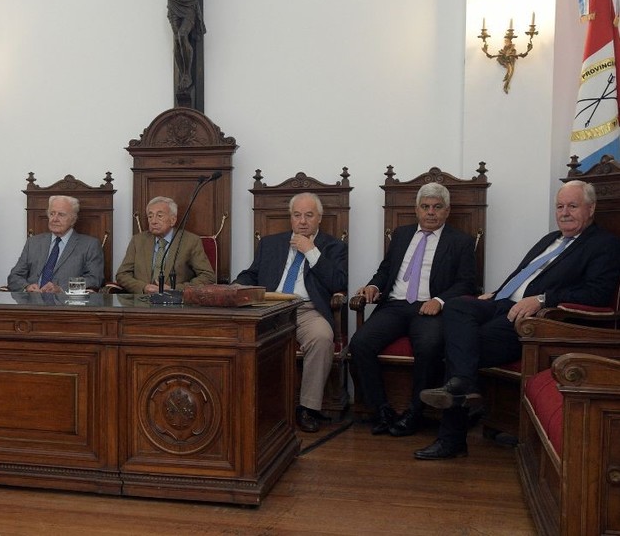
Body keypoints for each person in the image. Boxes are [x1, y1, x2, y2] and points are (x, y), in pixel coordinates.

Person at [415, 180, 620, 460]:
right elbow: (523, 275)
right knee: (456, 307)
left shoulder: (604, 245)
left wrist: (542, 300)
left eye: (572, 206)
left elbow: (597, 294)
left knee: (460, 347)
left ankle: (452, 436)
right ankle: (466, 386)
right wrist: (497, 293)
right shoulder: (550, 240)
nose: (564, 212)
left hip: (536, 318)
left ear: (591, 208)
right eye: (559, 206)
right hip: (502, 302)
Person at [349, 183, 477, 438]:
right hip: (395, 305)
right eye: (425, 207)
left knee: (429, 347)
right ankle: (381, 410)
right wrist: (374, 285)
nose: (431, 212)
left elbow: (467, 282)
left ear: (447, 211)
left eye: (437, 207)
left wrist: (439, 300)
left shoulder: (461, 241)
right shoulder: (401, 234)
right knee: (360, 343)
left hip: (429, 308)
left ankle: (415, 412)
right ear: (416, 209)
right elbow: (386, 269)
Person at [234, 192, 348, 433]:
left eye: (309, 215)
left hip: (306, 309)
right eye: (297, 215)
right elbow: (252, 274)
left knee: (322, 338)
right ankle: (249, 406)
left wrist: (311, 251)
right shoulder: (271, 243)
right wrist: (237, 284)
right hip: (269, 308)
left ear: (319, 218)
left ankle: (307, 408)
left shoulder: (333, 246)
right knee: (241, 338)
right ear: (291, 218)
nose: (302, 221)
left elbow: (338, 282)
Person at [115, 196, 214, 294]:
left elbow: (208, 276)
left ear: (173, 220)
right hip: (141, 301)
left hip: (175, 303)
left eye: (159, 216)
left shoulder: (190, 241)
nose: (153, 221)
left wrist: (175, 289)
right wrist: (143, 288)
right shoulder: (138, 240)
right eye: (150, 216)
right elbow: (122, 274)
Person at [7, 195, 104, 293]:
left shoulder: (89, 245)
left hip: (66, 304)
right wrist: (26, 287)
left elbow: (95, 280)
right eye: (52, 214)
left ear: (73, 219)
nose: (54, 219)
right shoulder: (33, 242)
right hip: (32, 303)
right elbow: (14, 276)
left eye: (61, 215)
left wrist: (62, 289)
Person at [160, 0, 206, 92]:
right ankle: (182, 75)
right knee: (176, 39)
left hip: (189, 5)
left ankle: (187, 74)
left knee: (182, 35)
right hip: (174, 2)